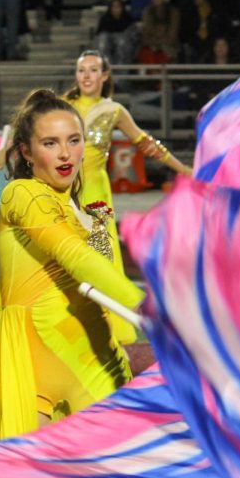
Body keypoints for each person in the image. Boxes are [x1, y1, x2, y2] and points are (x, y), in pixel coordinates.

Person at [0, 89, 144, 450]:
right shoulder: (22, 194)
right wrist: (143, 304)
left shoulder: (95, 212)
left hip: (98, 363)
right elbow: (71, 254)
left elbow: (99, 273)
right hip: (31, 368)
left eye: (74, 141)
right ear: (26, 152)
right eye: (50, 143)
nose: (66, 154)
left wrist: (117, 333)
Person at [65, 50, 191, 341]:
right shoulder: (63, 106)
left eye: (93, 70)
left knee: (99, 255)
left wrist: (182, 168)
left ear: (105, 75)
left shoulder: (114, 111)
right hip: (64, 188)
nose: (86, 75)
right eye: (81, 70)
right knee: (63, 252)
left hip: (95, 192)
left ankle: (102, 327)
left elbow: (147, 145)